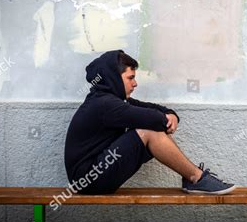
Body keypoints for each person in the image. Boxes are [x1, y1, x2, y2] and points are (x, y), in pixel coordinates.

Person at [64, 50, 235, 195]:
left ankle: (194, 178)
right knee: (149, 131)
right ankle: (195, 178)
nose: (135, 83)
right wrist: (164, 120)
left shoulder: (114, 100)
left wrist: (170, 114)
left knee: (150, 127)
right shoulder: (104, 104)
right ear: (114, 78)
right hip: (88, 180)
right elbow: (153, 119)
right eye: (130, 78)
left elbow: (152, 109)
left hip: (94, 176)